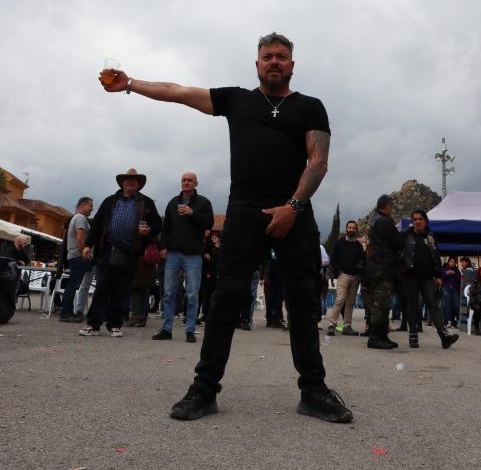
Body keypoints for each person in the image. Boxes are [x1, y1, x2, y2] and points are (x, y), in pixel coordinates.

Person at [100, 32, 352, 424]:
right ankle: (204, 389)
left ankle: (314, 391)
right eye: (267, 56)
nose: (274, 62)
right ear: (257, 64)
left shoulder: (310, 107)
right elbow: (178, 92)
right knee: (227, 297)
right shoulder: (237, 100)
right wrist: (131, 83)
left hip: (295, 210)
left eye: (281, 56)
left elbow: (318, 162)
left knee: (303, 298)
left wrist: (292, 207)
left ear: (291, 64)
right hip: (245, 209)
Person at [79, 169, 161, 337]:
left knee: (121, 290)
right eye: (127, 179)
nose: (130, 182)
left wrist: (149, 230)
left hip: (131, 252)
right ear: (122, 183)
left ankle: (115, 325)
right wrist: (88, 245)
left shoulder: (146, 202)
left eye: (133, 180)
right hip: (107, 249)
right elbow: (97, 224)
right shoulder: (110, 201)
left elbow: (157, 225)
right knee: (101, 287)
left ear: (138, 184)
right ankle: (93, 324)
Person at [153, 172, 213, 342]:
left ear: (196, 184)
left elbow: (208, 224)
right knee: (168, 293)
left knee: (192, 294)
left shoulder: (204, 202)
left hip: (193, 255)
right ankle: (167, 329)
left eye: (189, 180)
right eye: (184, 180)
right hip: (173, 253)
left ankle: (190, 330)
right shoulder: (173, 202)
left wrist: (193, 213)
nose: (186, 182)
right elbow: (166, 227)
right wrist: (162, 247)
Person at [402, 209, 458, 349]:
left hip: (427, 277)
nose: (418, 221)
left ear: (426, 221)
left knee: (433, 305)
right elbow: (397, 251)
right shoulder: (405, 234)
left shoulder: (431, 236)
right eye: (415, 219)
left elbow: (436, 256)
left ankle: (444, 336)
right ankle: (413, 336)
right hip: (410, 277)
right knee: (413, 306)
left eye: (420, 219)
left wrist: (438, 275)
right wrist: (401, 266)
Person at [364, 195, 403, 350]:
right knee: (381, 305)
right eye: (391, 207)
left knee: (382, 304)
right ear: (387, 206)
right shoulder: (385, 221)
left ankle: (382, 337)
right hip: (383, 269)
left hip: (376, 268)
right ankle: (375, 338)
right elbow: (397, 242)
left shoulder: (374, 221)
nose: (391, 210)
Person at [327, 221, 365, 336]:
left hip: (355, 277)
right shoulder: (339, 243)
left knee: (350, 302)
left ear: (356, 230)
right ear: (346, 228)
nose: (351, 229)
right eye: (349, 227)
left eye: (353, 228)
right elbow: (333, 259)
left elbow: (362, 260)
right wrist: (339, 271)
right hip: (343, 275)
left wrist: (359, 269)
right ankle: (332, 325)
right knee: (340, 300)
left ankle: (347, 326)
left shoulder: (359, 246)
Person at [60, 197, 94, 322]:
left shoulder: (75, 217)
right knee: (73, 285)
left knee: (72, 284)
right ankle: (66, 313)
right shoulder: (81, 218)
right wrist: (85, 253)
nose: (92, 209)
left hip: (75, 256)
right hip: (78, 256)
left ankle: (66, 312)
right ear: (82, 205)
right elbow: (80, 239)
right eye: (90, 206)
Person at [441, 257, 462, 328]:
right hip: (446, 288)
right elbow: (441, 278)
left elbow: (460, 279)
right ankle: (449, 321)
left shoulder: (457, 270)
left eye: (453, 261)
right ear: (448, 262)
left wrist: (454, 273)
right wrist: (447, 273)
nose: (452, 263)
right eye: (451, 261)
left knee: (456, 305)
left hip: (455, 289)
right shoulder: (444, 269)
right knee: (448, 305)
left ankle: (456, 320)